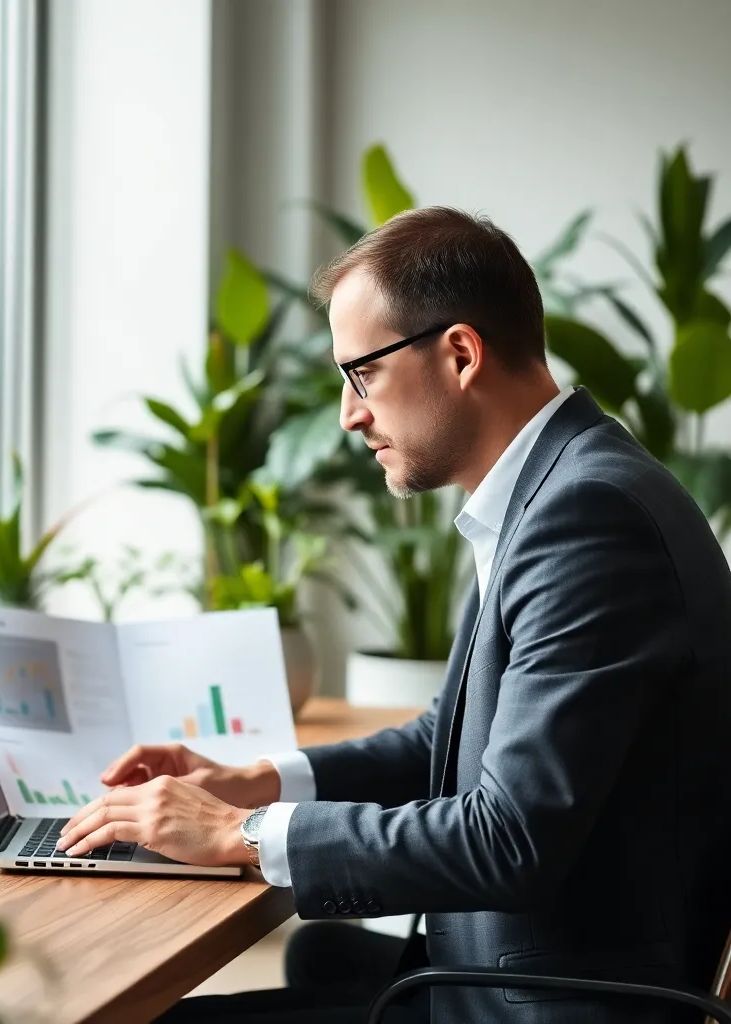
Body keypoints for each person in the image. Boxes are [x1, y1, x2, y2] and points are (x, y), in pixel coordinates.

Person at [58, 207, 731, 1023]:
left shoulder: (586, 517)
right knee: (311, 956)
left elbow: (508, 839)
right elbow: (446, 739)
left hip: (553, 1004)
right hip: (530, 967)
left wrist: (243, 833)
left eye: (363, 374)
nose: (349, 414)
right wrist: (254, 781)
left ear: (460, 354)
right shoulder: (560, 487)